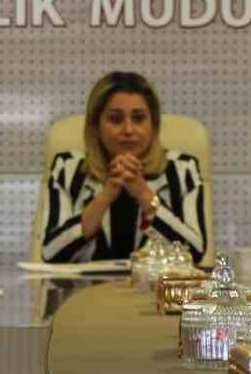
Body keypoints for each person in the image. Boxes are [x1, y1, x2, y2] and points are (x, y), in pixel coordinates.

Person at [41, 71, 206, 263]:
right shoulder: (68, 170)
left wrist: (143, 193)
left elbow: (194, 253)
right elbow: (51, 253)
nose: (128, 130)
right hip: (87, 283)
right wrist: (106, 196)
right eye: (115, 119)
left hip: (155, 282)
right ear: (96, 125)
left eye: (139, 118)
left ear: (154, 124)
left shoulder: (182, 170)